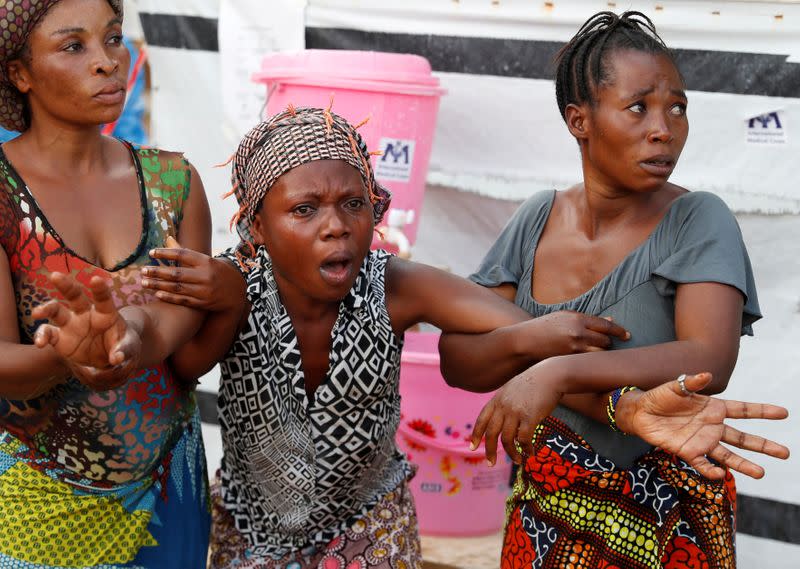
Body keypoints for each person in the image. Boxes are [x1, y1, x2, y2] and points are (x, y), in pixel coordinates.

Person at [76, 105, 784, 569]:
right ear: (258, 226)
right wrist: (119, 328)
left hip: (372, 528)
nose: (336, 224)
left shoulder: (394, 284)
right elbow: (174, 349)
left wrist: (619, 399)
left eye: (355, 203)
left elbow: (527, 338)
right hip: (254, 533)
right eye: (306, 209)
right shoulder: (234, 285)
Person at [437, 10, 787, 569]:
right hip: (546, 519)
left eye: (677, 106)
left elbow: (707, 359)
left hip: (669, 520)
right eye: (638, 106)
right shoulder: (535, 220)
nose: (664, 128)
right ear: (580, 120)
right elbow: (460, 357)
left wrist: (554, 369)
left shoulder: (698, 219)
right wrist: (538, 339)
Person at [0, 0, 211, 566]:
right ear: (20, 74)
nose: (107, 62)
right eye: (74, 46)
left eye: (114, 38)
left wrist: (130, 337)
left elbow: (188, 341)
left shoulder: (174, 182)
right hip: (33, 506)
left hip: (166, 491)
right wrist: (66, 358)